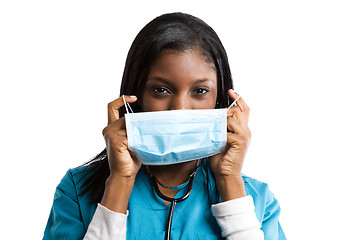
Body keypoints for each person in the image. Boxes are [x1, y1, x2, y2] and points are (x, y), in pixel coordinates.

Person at [43, 12, 286, 240]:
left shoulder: (257, 199)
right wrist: (120, 181)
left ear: (221, 100)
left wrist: (229, 181)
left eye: (200, 91)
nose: (179, 108)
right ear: (135, 94)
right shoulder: (77, 191)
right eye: (161, 90)